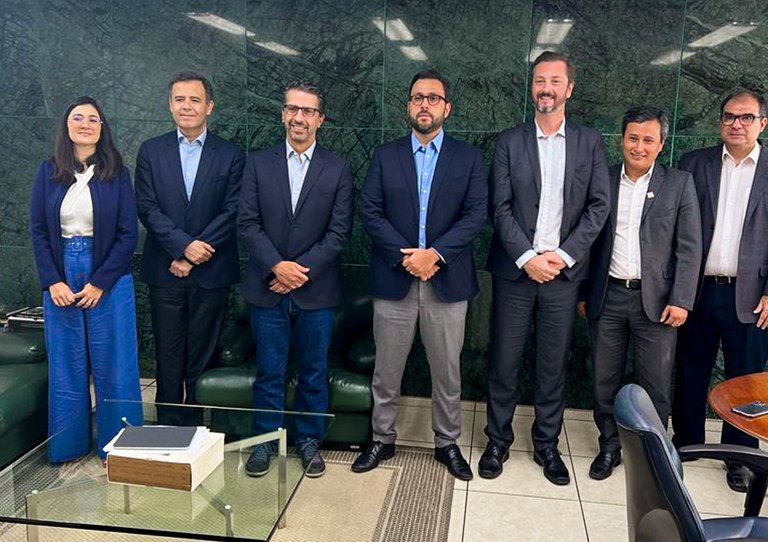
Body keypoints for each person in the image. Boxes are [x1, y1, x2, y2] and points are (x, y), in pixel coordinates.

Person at [352, 69, 487, 481]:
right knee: (386, 370)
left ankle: (447, 443)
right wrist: (407, 257)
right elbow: (370, 211)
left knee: (447, 372)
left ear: (447, 107)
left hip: (447, 283)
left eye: (433, 98)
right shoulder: (385, 155)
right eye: (417, 98)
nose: (424, 104)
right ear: (408, 106)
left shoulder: (468, 157)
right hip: (395, 280)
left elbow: (475, 214)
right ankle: (382, 438)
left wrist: (436, 255)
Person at [482, 51, 610, 485]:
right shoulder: (509, 141)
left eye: (555, 81)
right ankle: (497, 440)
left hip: (563, 274)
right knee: (504, 360)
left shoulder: (589, 142)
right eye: (540, 80)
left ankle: (546, 445)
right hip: (516, 272)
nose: (546, 89)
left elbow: (598, 206)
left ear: (569, 88)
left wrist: (564, 256)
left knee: (553, 364)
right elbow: (499, 208)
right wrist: (527, 257)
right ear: (531, 87)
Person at [578, 106, 701, 480]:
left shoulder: (678, 183)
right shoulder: (603, 179)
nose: (639, 146)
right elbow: (587, 241)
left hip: (659, 302)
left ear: (661, 144)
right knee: (604, 379)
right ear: (621, 140)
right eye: (633, 138)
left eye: (648, 140)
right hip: (608, 296)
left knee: (655, 386)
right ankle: (610, 446)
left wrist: (681, 299)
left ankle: (651, 455)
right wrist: (584, 292)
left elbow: (689, 247)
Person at [239, 80, 354, 478]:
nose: (298, 117)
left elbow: (339, 232)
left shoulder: (338, 168)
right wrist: (277, 266)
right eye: (292, 109)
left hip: (316, 291)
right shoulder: (258, 163)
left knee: (313, 372)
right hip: (267, 288)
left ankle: (309, 441)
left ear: (320, 119)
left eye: (307, 111)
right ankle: (264, 442)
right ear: (282, 114)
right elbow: (248, 223)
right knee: (269, 372)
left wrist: (297, 272)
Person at [30, 96, 142, 462]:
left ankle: (120, 448)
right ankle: (69, 446)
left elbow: (128, 233)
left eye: (93, 119)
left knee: (116, 364)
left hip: (108, 274)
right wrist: (53, 281)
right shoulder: (48, 172)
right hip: (61, 271)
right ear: (66, 126)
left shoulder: (117, 173)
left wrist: (99, 283)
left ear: (102, 128)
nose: (85, 124)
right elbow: (38, 231)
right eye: (78, 118)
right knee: (67, 364)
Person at [672, 87, 768, 492]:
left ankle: (739, 456)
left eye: (746, 117)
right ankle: (687, 442)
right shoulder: (694, 164)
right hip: (698, 288)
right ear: (720, 122)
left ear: (762, 123)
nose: (737, 124)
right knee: (690, 369)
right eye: (729, 116)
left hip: (752, 295)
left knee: (745, 380)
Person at [135, 72, 244, 411]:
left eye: (195, 100)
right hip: (165, 269)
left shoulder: (230, 153)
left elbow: (234, 209)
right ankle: (168, 423)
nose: (187, 106)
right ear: (170, 105)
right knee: (167, 354)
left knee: (203, 353)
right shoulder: (151, 151)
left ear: (209, 106)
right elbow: (147, 207)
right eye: (179, 99)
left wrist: (195, 253)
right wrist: (183, 247)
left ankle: (197, 425)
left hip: (212, 271)